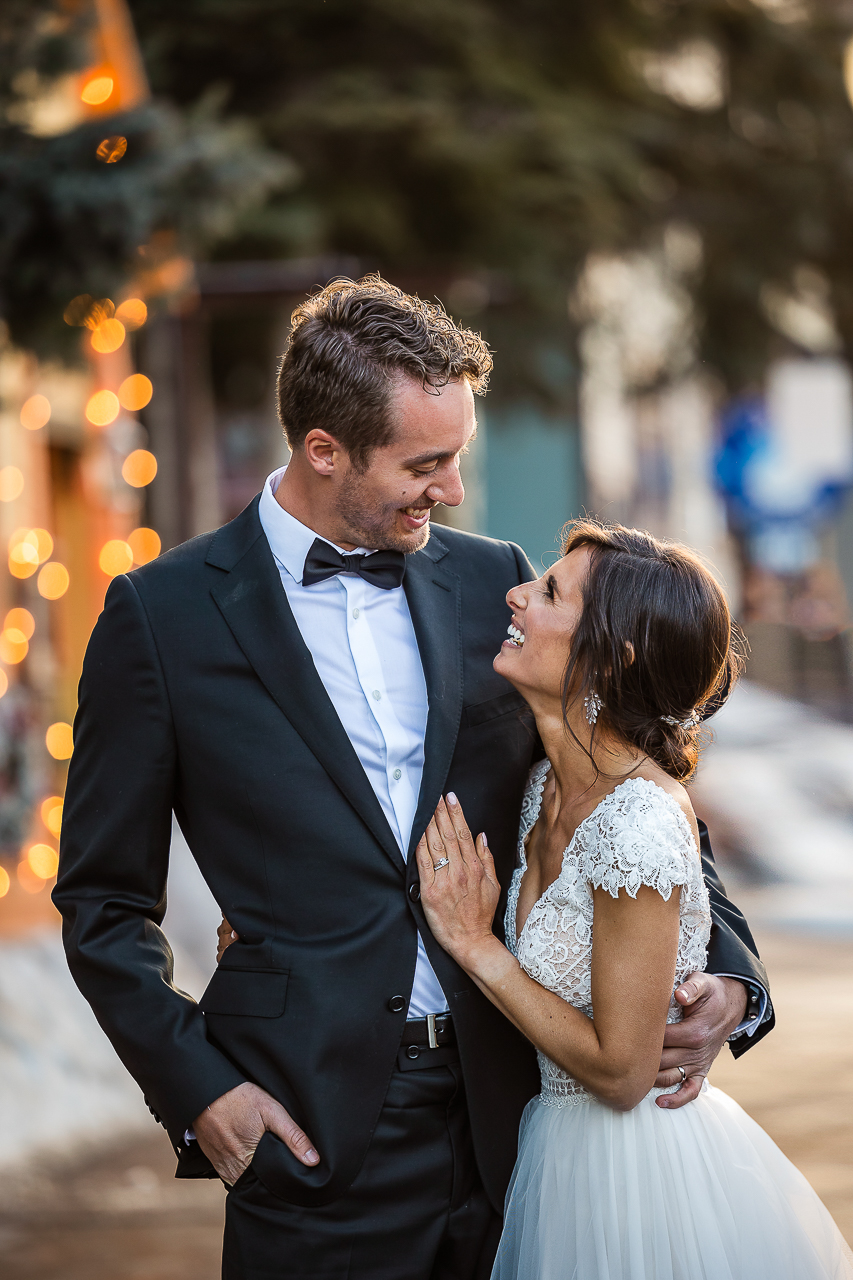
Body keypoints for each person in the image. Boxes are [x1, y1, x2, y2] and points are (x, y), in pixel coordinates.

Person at [55, 276, 770, 1280]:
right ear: (324, 450)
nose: (454, 490)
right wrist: (199, 1086)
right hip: (309, 1129)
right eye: (426, 463)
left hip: (520, 1114)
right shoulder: (159, 617)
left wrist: (732, 972)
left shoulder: (498, 587)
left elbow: (634, 796)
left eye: (459, 455)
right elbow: (100, 898)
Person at [417, 518, 853, 1280]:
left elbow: (622, 1074)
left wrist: (476, 946)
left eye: (550, 591)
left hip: (638, 1175)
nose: (516, 595)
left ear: (609, 658)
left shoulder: (639, 819)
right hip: (550, 1154)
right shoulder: (540, 786)